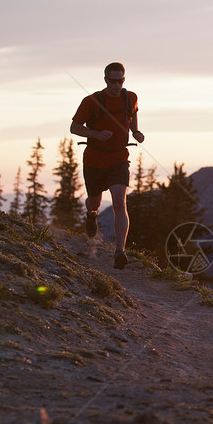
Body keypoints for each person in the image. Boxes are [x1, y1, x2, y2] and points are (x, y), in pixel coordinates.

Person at [70, 62, 145, 269]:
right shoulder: (92, 101)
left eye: (120, 81)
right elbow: (74, 127)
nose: (116, 85)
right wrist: (96, 134)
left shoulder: (131, 98)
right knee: (94, 201)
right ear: (105, 80)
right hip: (94, 160)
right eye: (112, 81)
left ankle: (120, 251)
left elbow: (133, 114)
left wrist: (136, 132)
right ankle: (91, 215)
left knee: (120, 202)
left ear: (124, 80)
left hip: (119, 159)